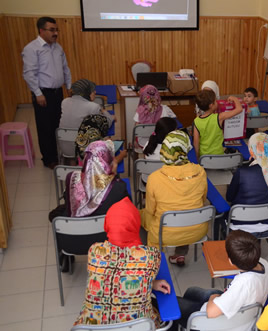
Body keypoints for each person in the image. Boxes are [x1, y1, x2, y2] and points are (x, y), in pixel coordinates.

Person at [74, 197, 171, 328]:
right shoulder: (150, 256)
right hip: (140, 326)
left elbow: (117, 273)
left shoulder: (95, 251)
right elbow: (130, 271)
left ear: (107, 224)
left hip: (92, 327)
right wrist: (151, 283)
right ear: (136, 224)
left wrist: (150, 283)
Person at [176, 230, 268, 330]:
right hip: (244, 315)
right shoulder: (262, 263)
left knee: (172, 307)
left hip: (217, 321)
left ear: (231, 262)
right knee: (191, 291)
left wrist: (213, 298)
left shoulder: (243, 283)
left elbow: (211, 312)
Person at [49, 140, 129, 271]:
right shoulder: (118, 188)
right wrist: (113, 175)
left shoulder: (72, 178)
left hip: (72, 242)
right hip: (105, 243)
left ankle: (65, 259)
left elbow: (69, 200)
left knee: (58, 214)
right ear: (107, 160)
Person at [141, 130, 207, 266]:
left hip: (164, 234)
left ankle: (153, 262)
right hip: (196, 229)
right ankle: (180, 254)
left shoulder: (154, 178)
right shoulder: (200, 172)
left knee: (142, 219)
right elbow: (203, 199)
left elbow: (150, 210)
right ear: (186, 148)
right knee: (186, 212)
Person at [22, 16, 71, 169]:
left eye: (56, 30)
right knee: (45, 127)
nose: (55, 33)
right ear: (41, 30)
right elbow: (29, 74)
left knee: (59, 124)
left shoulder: (58, 47)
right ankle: (49, 159)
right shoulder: (31, 49)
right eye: (52, 30)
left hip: (58, 93)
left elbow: (65, 68)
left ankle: (61, 153)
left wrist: (69, 85)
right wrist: (37, 93)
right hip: (43, 94)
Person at [221, 133, 268, 239]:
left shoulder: (242, 172)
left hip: (241, 226)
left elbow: (229, 197)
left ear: (252, 150)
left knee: (220, 216)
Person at [193, 90, 243, 158]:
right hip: (219, 157)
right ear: (211, 105)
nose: (217, 102)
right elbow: (239, 109)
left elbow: (196, 144)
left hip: (204, 158)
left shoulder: (196, 121)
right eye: (215, 101)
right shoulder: (219, 117)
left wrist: (198, 158)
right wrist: (234, 98)